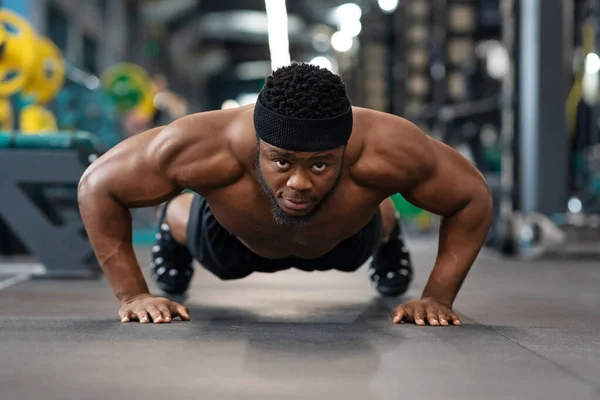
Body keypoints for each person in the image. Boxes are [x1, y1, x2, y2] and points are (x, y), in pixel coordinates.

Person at [78, 62, 493, 326]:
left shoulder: (389, 148)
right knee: (185, 214)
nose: (299, 183)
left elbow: (471, 195)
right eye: (281, 162)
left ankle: (388, 230)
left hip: (343, 238)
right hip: (231, 240)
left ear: (344, 150)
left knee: (375, 212)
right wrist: (133, 294)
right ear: (258, 145)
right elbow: (98, 185)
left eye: (319, 164)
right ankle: (175, 227)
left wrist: (437, 297)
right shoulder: (203, 145)